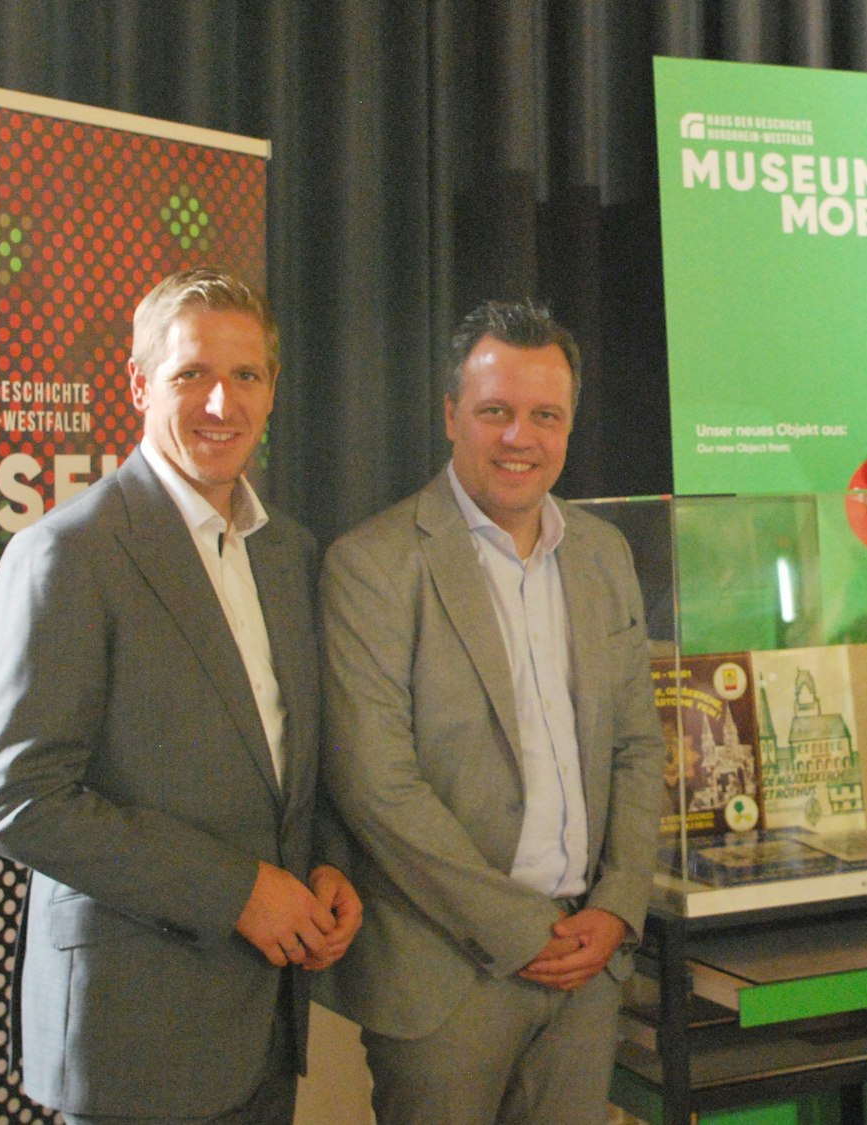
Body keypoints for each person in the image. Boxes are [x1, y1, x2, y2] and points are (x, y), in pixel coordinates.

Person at [0, 268, 361, 1123]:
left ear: (272, 391)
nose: (222, 401)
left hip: (264, 1024)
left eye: (246, 375)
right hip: (134, 1038)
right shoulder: (67, 555)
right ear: (141, 383)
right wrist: (238, 892)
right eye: (192, 374)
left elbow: (287, 759)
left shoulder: (287, 552)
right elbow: (19, 800)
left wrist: (323, 862)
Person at [317, 299, 664, 1125]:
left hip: (588, 963)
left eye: (545, 415)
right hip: (446, 978)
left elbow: (638, 746)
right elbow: (375, 784)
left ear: (569, 425)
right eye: (495, 412)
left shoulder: (603, 554)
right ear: (449, 415)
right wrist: (521, 929)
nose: (521, 437)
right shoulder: (371, 564)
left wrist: (617, 904)